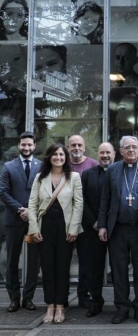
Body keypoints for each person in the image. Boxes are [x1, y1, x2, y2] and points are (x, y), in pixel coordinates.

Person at [98, 136, 138, 324]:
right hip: (118, 229)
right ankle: (122, 307)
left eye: (134, 147)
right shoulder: (113, 170)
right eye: (127, 147)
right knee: (119, 271)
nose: (131, 150)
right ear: (121, 151)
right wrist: (102, 225)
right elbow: (105, 200)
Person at [27, 143, 83, 324]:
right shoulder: (40, 177)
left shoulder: (73, 177)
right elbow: (32, 205)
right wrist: (34, 229)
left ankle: (60, 306)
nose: (58, 157)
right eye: (55, 155)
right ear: (49, 157)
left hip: (65, 228)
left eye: (61, 155)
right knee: (48, 267)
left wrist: (74, 229)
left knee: (62, 267)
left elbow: (78, 204)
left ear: (65, 157)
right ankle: (50, 305)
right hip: (45, 227)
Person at [0, 131, 41, 313]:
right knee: (12, 261)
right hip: (14, 220)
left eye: (30, 145)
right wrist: (20, 209)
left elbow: (45, 192)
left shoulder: (41, 166)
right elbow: (3, 192)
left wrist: (31, 211)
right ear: (19, 145)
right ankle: (14, 299)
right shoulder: (8, 166)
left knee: (33, 260)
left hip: (34, 221)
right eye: (23, 145)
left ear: (34, 146)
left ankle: (29, 298)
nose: (26, 148)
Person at [80, 142, 115, 317]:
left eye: (108, 152)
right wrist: (94, 222)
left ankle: (121, 302)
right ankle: (96, 301)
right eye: (102, 152)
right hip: (93, 228)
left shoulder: (120, 172)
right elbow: (82, 200)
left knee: (118, 268)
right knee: (94, 268)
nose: (105, 155)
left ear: (114, 154)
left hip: (117, 230)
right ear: (97, 154)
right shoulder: (87, 175)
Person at [67, 135, 99, 309]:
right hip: (65, 221)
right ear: (68, 147)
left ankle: (83, 294)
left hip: (86, 223)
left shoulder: (93, 165)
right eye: (73, 145)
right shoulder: (63, 165)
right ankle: (61, 294)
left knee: (85, 261)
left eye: (79, 144)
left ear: (84, 146)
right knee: (63, 260)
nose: (76, 147)